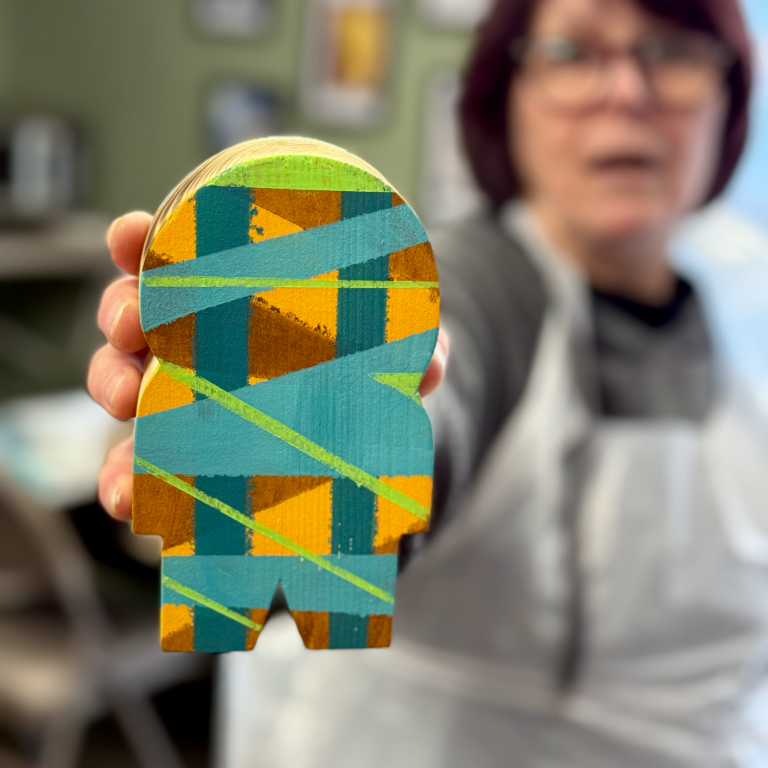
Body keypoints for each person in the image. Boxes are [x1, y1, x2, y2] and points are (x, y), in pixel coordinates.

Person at [88, 0, 768, 764]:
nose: (627, 91)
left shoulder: (752, 298)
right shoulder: (475, 289)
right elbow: (440, 389)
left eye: (672, 52)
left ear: (729, 100)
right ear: (504, 100)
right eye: (572, 53)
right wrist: (305, 450)